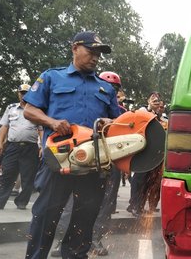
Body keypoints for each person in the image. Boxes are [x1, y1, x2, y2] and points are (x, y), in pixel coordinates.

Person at [23, 31, 120, 259]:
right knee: (46, 214)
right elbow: (29, 110)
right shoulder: (52, 77)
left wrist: (111, 123)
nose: (95, 57)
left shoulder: (106, 88)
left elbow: (118, 123)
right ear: (75, 48)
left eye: (98, 53)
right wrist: (52, 122)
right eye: (91, 51)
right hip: (59, 160)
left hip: (92, 163)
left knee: (85, 218)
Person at [0, 84, 42, 210]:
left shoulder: (37, 109)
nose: (24, 95)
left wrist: (42, 146)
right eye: (22, 92)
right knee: (6, 175)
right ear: (18, 94)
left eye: (26, 92)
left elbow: (41, 129)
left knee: (28, 177)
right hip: (12, 147)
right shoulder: (11, 108)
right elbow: (4, 126)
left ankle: (22, 202)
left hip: (30, 147)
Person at [127, 92, 162, 216]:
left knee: (146, 181)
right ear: (148, 101)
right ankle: (135, 205)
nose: (155, 101)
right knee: (139, 179)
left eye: (157, 99)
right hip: (141, 151)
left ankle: (138, 205)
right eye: (153, 98)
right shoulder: (143, 110)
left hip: (152, 153)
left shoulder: (160, 117)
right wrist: (150, 109)